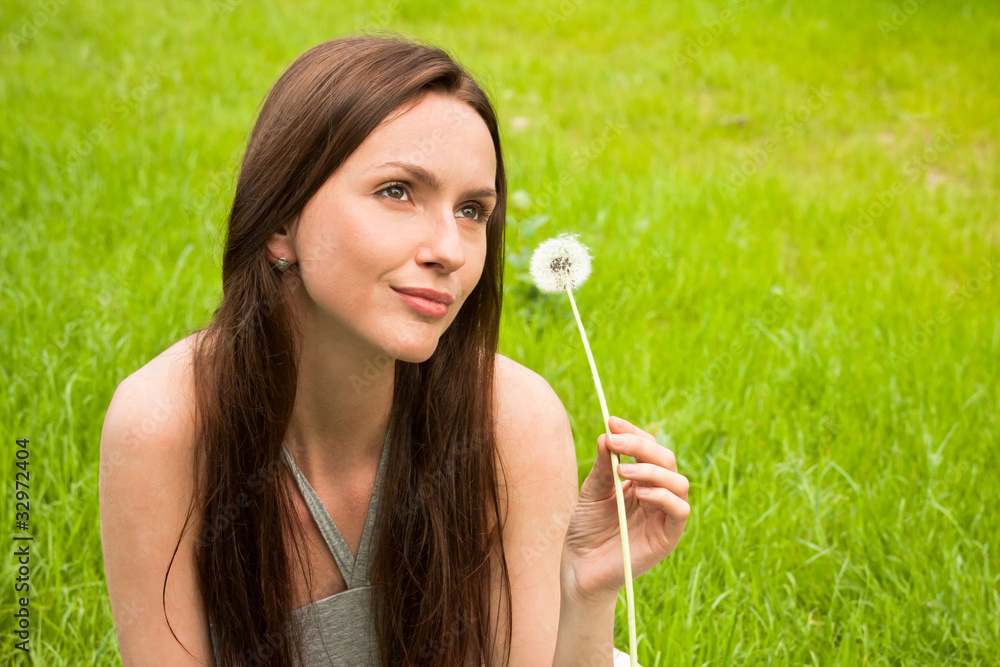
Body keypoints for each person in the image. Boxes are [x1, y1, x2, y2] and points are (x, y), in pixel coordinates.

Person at [98, 32, 689, 667]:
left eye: (471, 210)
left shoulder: (511, 421)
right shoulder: (164, 426)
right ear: (279, 219)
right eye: (398, 191)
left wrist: (585, 595)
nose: (450, 250)